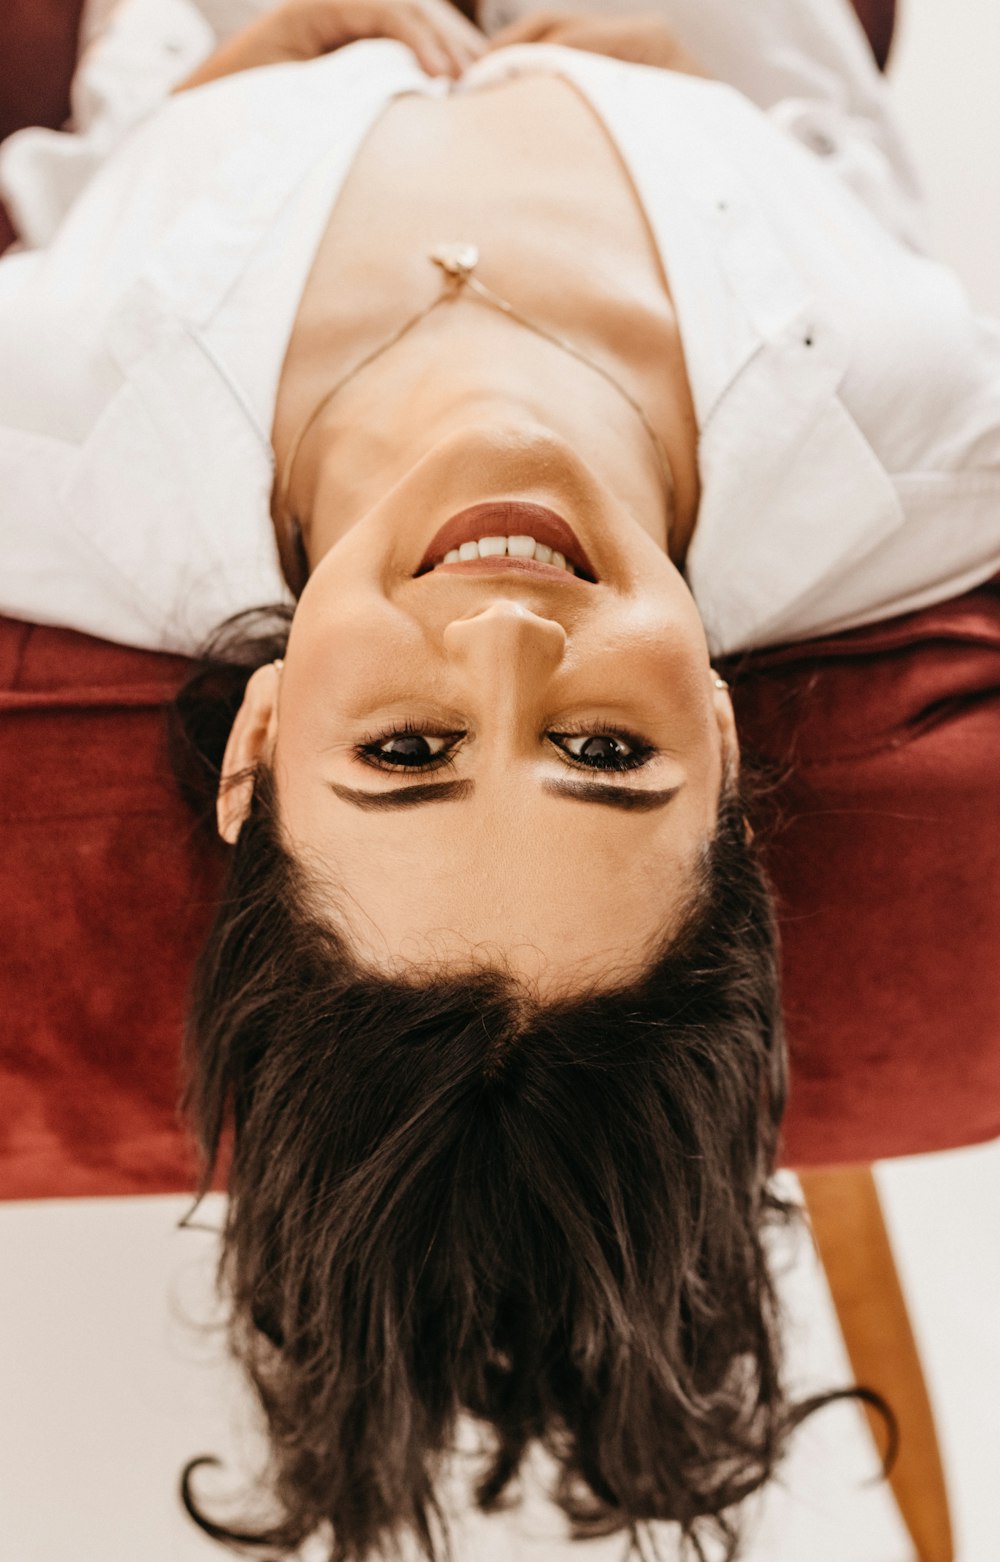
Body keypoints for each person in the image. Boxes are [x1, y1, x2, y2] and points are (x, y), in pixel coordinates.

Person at [0, 0, 996, 1557]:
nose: (511, 642)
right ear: (729, 749)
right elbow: (831, 132)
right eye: (610, 754)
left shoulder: (55, 440)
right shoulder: (918, 433)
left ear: (257, 745)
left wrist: (226, 73)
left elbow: (78, 192)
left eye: (407, 752)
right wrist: (682, 67)